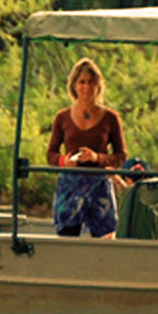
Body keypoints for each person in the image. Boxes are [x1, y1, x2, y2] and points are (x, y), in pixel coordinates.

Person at [46, 58, 127, 238]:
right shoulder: (62, 117)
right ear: (74, 86)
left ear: (98, 85)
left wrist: (97, 158)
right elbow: (50, 154)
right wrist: (63, 161)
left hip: (99, 184)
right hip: (70, 186)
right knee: (67, 239)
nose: (86, 87)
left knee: (106, 240)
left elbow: (121, 155)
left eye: (91, 82)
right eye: (82, 82)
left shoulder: (111, 118)